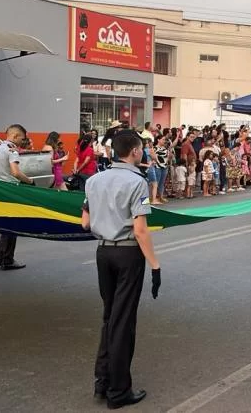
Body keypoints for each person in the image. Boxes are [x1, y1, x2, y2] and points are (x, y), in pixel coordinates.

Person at [81, 129, 161, 409]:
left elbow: (85, 223)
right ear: (135, 151)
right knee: (123, 322)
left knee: (109, 317)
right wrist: (155, 265)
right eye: (141, 149)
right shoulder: (137, 182)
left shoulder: (94, 180)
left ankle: (102, 382)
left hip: (103, 252)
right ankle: (118, 390)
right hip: (128, 254)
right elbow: (140, 230)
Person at [0, 124, 34, 270]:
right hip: (11, 191)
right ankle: (7, 259)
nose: (23, 141)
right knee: (12, 226)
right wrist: (30, 181)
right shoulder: (12, 150)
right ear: (15, 136)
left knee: (6, 225)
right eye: (22, 138)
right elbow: (15, 172)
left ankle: (2, 257)